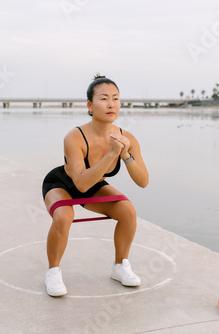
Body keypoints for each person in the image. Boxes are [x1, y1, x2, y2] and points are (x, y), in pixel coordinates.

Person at [42, 75, 149, 297]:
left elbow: (143, 181)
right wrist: (111, 153)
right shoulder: (75, 136)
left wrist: (126, 154)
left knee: (128, 211)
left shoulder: (127, 137)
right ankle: (53, 272)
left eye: (116, 98)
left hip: (94, 183)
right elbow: (80, 185)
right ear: (90, 106)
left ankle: (120, 266)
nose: (111, 104)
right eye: (104, 98)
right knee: (63, 216)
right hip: (62, 183)